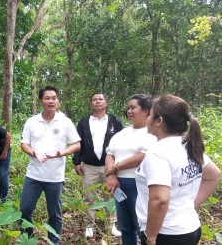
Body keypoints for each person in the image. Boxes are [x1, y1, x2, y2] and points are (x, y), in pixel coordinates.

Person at [135, 94, 221, 245]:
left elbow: (160, 200)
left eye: (150, 115)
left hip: (166, 233)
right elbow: (214, 175)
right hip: (190, 227)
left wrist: (151, 236)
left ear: (159, 121)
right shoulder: (187, 145)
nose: (147, 119)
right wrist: (191, 205)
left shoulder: (158, 154)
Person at [20, 86, 81, 244]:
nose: (51, 101)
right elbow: (24, 144)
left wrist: (60, 153)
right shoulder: (32, 121)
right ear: (41, 101)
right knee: (25, 210)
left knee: (54, 214)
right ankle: (28, 239)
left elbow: (76, 144)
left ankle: (54, 241)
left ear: (58, 101)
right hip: (33, 175)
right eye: (47, 98)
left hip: (55, 177)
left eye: (54, 98)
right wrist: (34, 153)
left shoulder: (65, 122)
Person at [104, 94, 156, 245]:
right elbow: (109, 153)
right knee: (125, 226)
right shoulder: (122, 133)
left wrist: (116, 167)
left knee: (143, 226)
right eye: (128, 108)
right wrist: (112, 175)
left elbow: (144, 155)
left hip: (139, 185)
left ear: (146, 111)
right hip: (119, 185)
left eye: (133, 107)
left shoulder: (152, 133)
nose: (129, 111)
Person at [72, 93, 123, 238]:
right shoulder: (84, 122)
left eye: (100, 99)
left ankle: (111, 224)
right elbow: (78, 142)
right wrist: (76, 162)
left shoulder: (115, 121)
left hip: (110, 166)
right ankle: (89, 224)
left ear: (106, 103)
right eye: (94, 99)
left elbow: (121, 142)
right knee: (89, 196)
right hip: (89, 166)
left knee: (111, 195)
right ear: (91, 104)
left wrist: (118, 165)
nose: (97, 101)